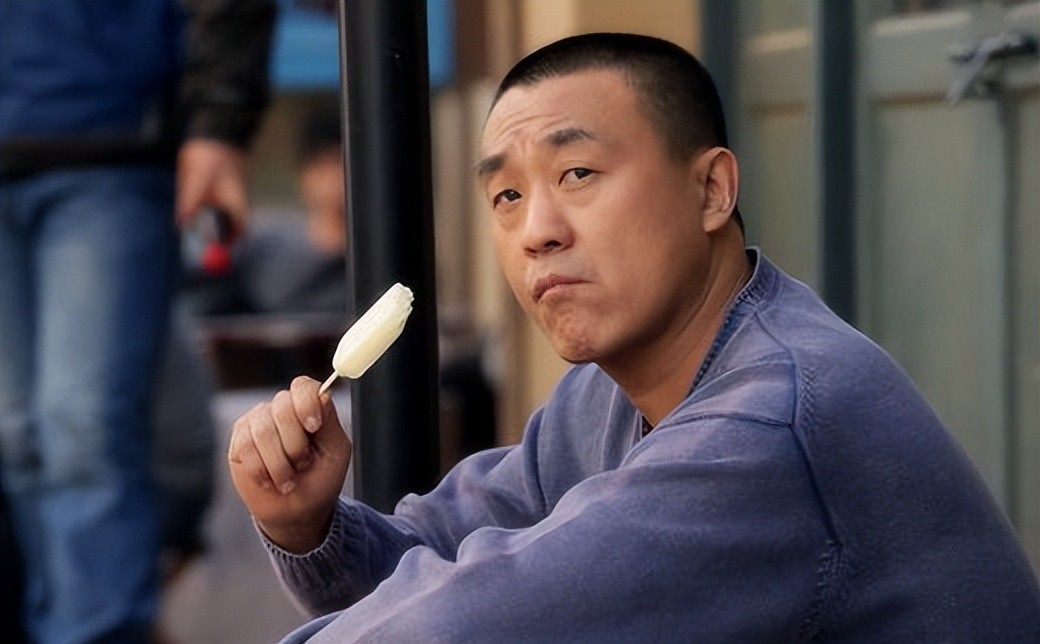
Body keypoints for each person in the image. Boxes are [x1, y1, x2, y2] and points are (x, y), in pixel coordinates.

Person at [227, 33, 1040, 642]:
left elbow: (464, 623)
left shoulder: (771, 425)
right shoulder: (601, 396)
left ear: (712, 189)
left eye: (577, 174)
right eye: (507, 196)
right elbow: (429, 562)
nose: (536, 231)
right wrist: (309, 527)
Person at [0, 1, 275, 641]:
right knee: (18, 438)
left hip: (111, 139)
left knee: (83, 428)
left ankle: (99, 629)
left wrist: (218, 118)